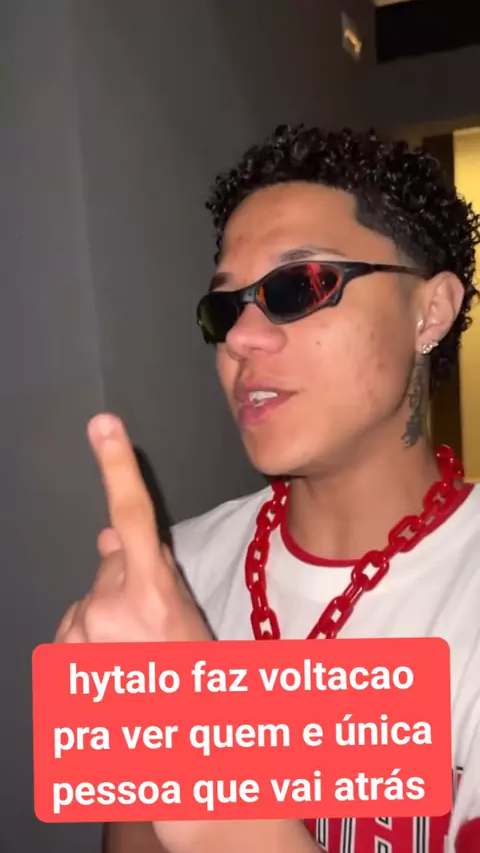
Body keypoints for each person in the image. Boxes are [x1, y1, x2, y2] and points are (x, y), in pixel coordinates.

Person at [57, 125, 480, 853]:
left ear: (430, 311)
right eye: (225, 308)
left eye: (300, 285)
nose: (240, 338)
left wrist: (201, 770)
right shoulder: (172, 579)